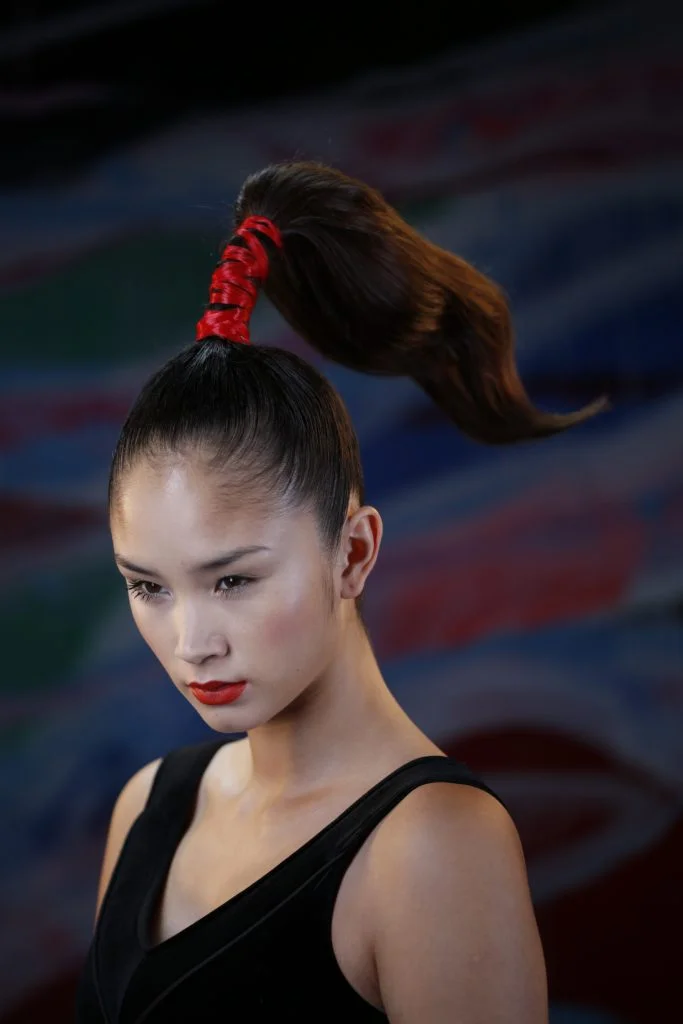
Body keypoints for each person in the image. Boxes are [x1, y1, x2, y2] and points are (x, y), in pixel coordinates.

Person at [74, 161, 606, 1023]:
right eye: (148, 585)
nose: (190, 640)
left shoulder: (431, 847)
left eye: (233, 579)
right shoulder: (148, 806)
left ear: (352, 553)